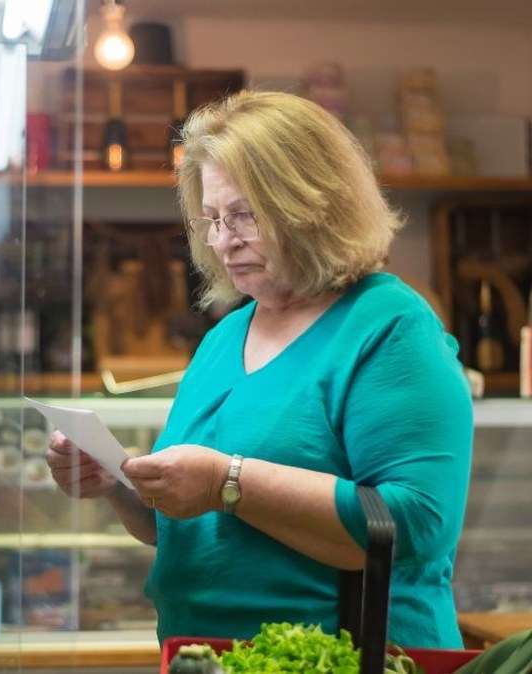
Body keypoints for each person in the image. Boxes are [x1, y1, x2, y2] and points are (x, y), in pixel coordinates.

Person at [45, 90, 473, 649]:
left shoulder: (388, 327)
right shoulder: (225, 338)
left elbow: (415, 524)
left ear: (313, 203)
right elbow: (189, 530)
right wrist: (119, 487)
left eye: (243, 214)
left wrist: (227, 481)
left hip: (345, 657)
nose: (223, 241)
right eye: (212, 218)